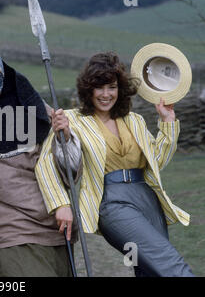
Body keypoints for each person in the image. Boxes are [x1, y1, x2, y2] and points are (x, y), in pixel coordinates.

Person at [36, 51, 194, 277]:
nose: (105, 94)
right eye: (99, 87)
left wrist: (167, 123)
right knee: (167, 262)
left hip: (147, 199)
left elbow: (155, 161)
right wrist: (60, 204)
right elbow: (45, 165)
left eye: (111, 87)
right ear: (88, 89)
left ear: (120, 89)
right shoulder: (70, 120)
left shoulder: (134, 120)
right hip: (111, 202)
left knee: (150, 269)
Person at [0, 35, 81, 277]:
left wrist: (65, 137)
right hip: (9, 230)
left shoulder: (32, 102)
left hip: (54, 222)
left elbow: (68, 170)